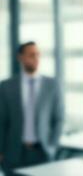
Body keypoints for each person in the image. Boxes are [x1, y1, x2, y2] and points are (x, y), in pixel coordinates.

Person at [0, 42, 64, 175]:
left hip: (43, 153)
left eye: (38, 54)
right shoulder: (6, 87)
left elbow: (58, 119)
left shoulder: (52, 85)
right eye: (31, 55)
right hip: (13, 153)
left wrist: (52, 146)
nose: (36, 58)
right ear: (20, 57)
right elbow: (2, 122)